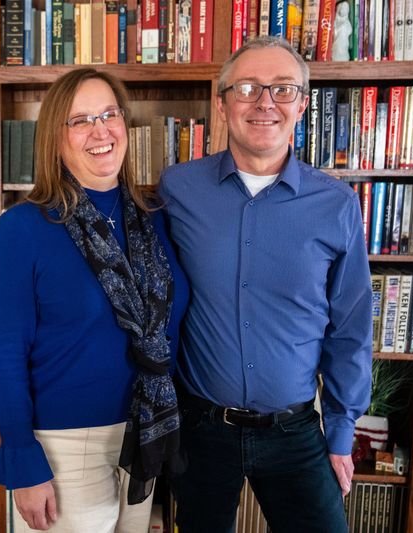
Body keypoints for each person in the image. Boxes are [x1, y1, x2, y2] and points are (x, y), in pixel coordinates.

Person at [160, 36, 372, 532]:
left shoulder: (337, 204)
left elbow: (351, 329)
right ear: (222, 102)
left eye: (282, 89)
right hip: (200, 429)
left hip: (296, 431)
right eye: (248, 87)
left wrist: (341, 432)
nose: (264, 103)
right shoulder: (178, 188)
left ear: (302, 103)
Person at [0, 68, 189, 532]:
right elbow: (3, 354)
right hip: (63, 447)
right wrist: (22, 458)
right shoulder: (24, 228)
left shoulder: (155, 220)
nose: (100, 131)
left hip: (144, 433)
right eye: (80, 121)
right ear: (55, 139)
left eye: (109, 114)